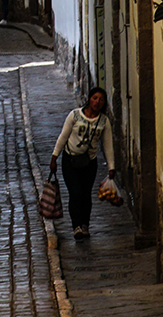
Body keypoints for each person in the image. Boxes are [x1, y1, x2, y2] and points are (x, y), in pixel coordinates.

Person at [49, 86, 115, 240]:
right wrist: (54, 157)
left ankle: (85, 224)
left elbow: (108, 145)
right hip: (70, 161)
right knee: (75, 193)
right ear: (89, 99)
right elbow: (63, 137)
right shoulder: (74, 116)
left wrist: (111, 167)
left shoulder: (104, 122)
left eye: (100, 99)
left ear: (104, 103)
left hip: (89, 163)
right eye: (94, 98)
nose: (97, 102)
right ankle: (76, 226)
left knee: (86, 195)